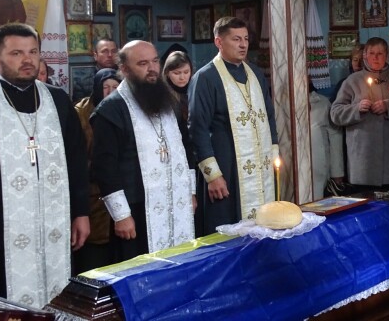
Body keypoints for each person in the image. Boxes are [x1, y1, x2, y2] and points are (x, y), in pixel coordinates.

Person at [0, 23, 90, 307]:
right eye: (16, 53)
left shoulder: (58, 100)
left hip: (54, 232)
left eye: (33, 52)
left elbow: (76, 159)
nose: (27, 60)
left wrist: (81, 212)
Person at [91, 41, 196, 262]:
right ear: (125, 69)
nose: (152, 69)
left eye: (155, 61)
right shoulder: (111, 109)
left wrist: (191, 192)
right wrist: (121, 215)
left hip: (174, 201)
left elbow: (185, 148)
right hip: (135, 210)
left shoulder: (168, 101)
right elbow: (105, 168)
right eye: (143, 63)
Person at [187, 17, 279, 235]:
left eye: (245, 39)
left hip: (260, 164)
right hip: (226, 165)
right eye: (236, 39)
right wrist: (213, 175)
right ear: (219, 42)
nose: (243, 45)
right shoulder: (205, 77)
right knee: (227, 225)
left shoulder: (255, 74)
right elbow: (198, 129)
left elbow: (269, 116)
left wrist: (273, 154)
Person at [331, 37, 389, 190]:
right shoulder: (352, 81)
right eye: (372, 53)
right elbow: (335, 113)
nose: (376, 57)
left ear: (387, 56)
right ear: (365, 55)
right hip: (363, 162)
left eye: (380, 53)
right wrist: (356, 109)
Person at [72, 68, 120, 273]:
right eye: (105, 87)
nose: (110, 92)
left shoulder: (124, 108)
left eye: (115, 87)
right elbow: (76, 153)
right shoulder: (81, 112)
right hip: (91, 192)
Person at [309, 81, 345, 199]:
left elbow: (335, 137)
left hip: (319, 169)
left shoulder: (323, 103)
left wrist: (337, 172)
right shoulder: (283, 104)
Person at [163, 50, 193, 127]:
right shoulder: (163, 96)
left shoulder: (196, 91)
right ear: (167, 73)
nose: (182, 77)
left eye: (186, 72)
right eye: (176, 73)